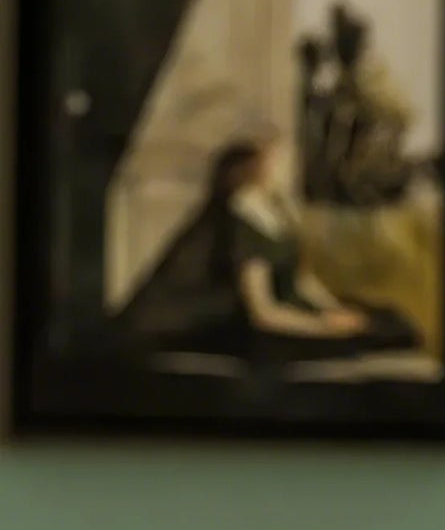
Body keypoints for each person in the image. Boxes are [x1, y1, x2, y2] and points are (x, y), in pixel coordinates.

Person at [115, 135, 421, 368]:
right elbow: (262, 312)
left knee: (389, 320)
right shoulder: (239, 221)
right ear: (256, 172)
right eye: (279, 161)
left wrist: (333, 310)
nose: (289, 166)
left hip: (292, 312)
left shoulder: (276, 213)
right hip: (248, 326)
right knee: (370, 340)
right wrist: (325, 328)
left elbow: (302, 281)